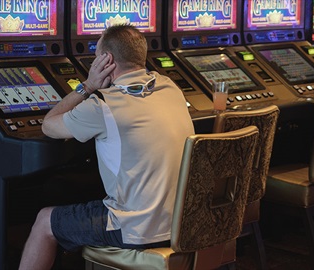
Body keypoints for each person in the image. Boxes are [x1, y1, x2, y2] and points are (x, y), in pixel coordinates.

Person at [18, 24, 195, 270]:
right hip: (181, 222)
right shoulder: (169, 87)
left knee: (44, 221)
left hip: (135, 229)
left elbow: (49, 126)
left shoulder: (103, 105)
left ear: (106, 60)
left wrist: (87, 85)